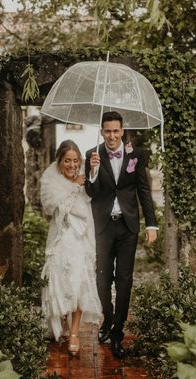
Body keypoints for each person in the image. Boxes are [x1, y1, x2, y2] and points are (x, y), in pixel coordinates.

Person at [85, 111, 158, 359]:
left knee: (124, 280)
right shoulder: (91, 156)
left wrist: (151, 224)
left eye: (116, 131)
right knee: (103, 278)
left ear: (122, 131)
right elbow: (91, 192)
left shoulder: (135, 156)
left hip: (128, 226)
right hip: (103, 226)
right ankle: (107, 315)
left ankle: (118, 331)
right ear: (102, 131)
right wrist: (93, 172)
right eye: (108, 131)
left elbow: (143, 190)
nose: (112, 136)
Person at [40, 140, 102, 355]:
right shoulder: (51, 181)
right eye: (67, 160)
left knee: (79, 285)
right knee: (61, 284)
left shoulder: (85, 178)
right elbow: (53, 209)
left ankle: (74, 332)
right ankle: (63, 324)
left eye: (76, 161)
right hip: (60, 240)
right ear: (59, 161)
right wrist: (74, 186)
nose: (72, 165)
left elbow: (92, 199)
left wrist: (91, 173)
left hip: (81, 241)